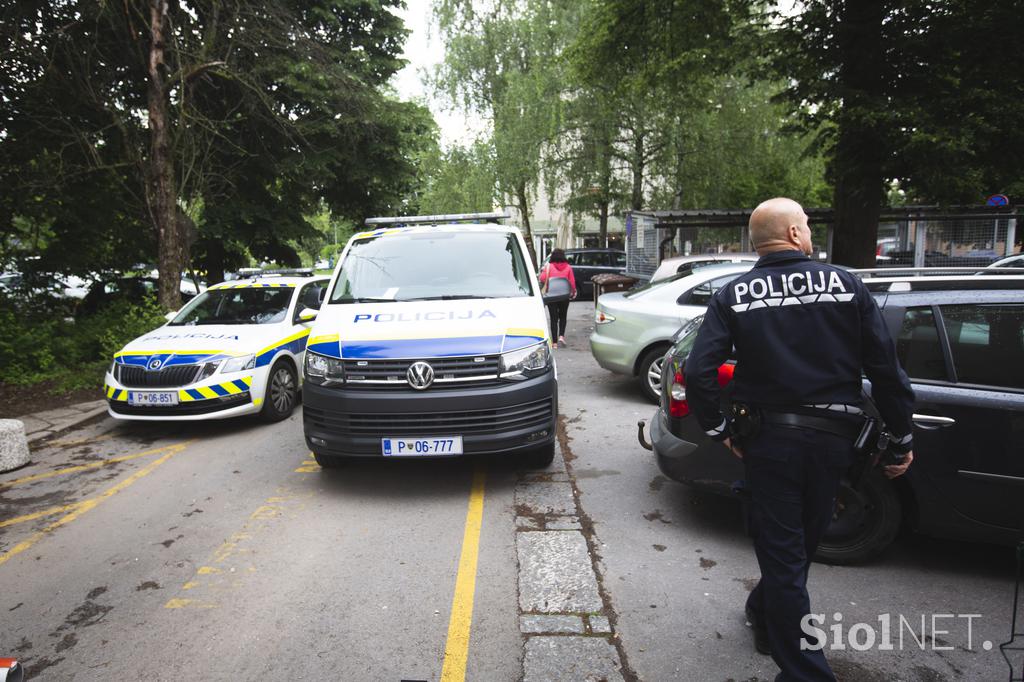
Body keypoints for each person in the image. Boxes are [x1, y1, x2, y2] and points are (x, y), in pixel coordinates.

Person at [684, 197, 915, 681]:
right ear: (792, 234)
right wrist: (900, 438)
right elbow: (885, 370)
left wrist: (720, 429)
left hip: (768, 443)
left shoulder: (735, 294)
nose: (809, 232)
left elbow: (698, 370)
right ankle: (805, 671)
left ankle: (768, 614)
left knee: (789, 550)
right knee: (796, 547)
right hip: (833, 442)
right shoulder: (846, 285)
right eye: (806, 225)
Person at [539, 248, 577, 348]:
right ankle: (561, 336)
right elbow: (572, 282)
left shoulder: (548, 267)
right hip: (564, 296)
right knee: (563, 316)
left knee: (553, 318)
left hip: (551, 296)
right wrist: (573, 292)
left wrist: (544, 271)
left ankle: (554, 343)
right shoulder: (568, 267)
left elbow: (542, 279)